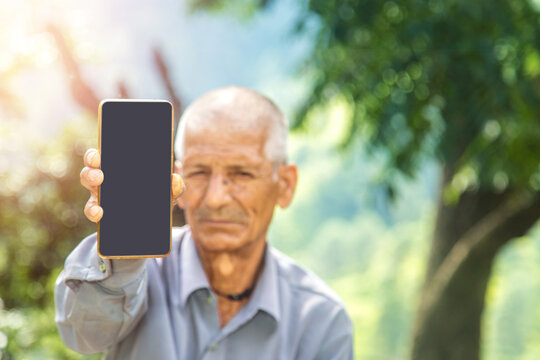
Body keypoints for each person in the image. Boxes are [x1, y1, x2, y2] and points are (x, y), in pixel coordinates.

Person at [55, 86, 354, 359]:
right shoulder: (136, 272)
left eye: (242, 174)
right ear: (176, 182)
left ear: (285, 185)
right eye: (198, 173)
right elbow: (81, 336)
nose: (215, 199)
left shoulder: (321, 320)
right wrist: (123, 255)